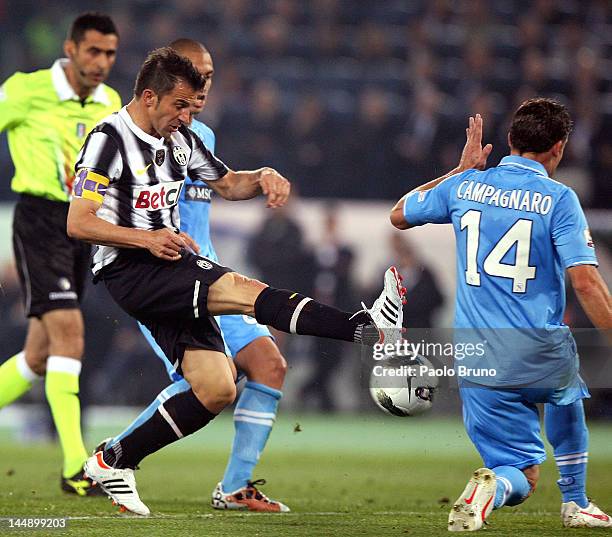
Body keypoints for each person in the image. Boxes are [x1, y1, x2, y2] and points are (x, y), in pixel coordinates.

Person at [67, 47, 405, 516]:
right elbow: (79, 222)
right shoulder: (108, 138)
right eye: (180, 105)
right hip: (131, 267)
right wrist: (144, 239)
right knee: (243, 292)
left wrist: (263, 176)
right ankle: (365, 328)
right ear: (149, 97)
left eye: (193, 103)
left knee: (217, 387)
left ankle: (112, 460)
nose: (190, 113)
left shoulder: (182, 139)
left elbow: (227, 184)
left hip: (169, 262)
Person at [390, 101, 611, 531]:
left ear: (509, 141)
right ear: (559, 148)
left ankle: (496, 487)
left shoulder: (466, 186)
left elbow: (399, 213)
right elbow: (584, 281)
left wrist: (460, 169)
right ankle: (576, 501)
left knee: (521, 474)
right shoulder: (559, 199)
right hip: (536, 342)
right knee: (565, 395)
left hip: (475, 351)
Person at [105, 38, 291, 513]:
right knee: (211, 383)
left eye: (209, 76)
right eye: (195, 75)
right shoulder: (142, 130)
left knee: (269, 364)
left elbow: (228, 184)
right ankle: (112, 458)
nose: (204, 83)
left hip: (211, 275)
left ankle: (234, 486)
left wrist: (264, 175)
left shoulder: (197, 135)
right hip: (165, 278)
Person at [0, 12, 120, 496]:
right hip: (40, 222)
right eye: (93, 51)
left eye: (110, 53)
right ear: (70, 49)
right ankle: (77, 467)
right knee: (70, 331)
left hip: (82, 228)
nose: (102, 62)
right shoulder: (25, 90)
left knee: (38, 354)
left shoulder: (110, 103)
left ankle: (76, 461)